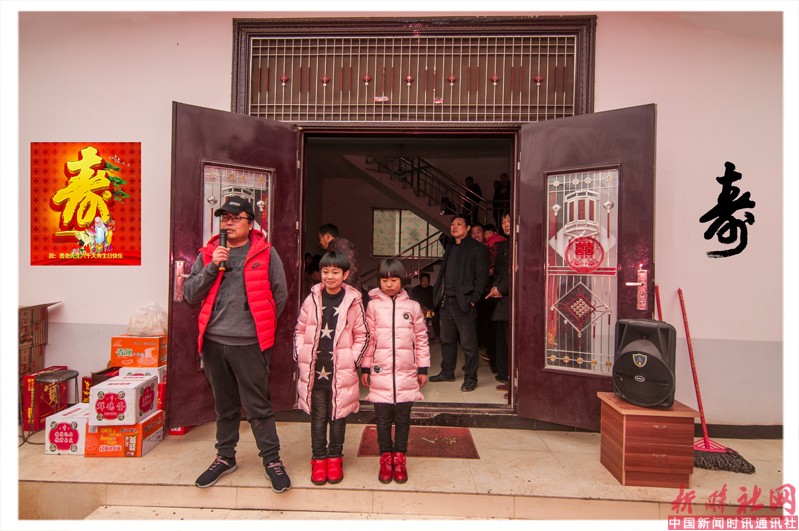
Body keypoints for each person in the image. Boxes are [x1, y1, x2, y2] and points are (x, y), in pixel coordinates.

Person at [183, 196, 291, 492]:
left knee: (258, 406)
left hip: (249, 344)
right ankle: (225, 457)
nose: (228, 223)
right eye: (224, 218)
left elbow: (279, 294)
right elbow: (190, 293)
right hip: (214, 342)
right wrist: (211, 267)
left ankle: (272, 460)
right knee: (225, 405)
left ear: (250, 223)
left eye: (235, 218)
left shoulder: (266, 253)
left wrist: (257, 326)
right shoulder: (210, 252)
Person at [294, 250, 368, 486]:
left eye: (335, 272)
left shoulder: (353, 301)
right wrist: (301, 353)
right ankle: (318, 458)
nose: (329, 276)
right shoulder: (312, 299)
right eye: (325, 272)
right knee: (318, 417)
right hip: (315, 371)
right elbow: (299, 329)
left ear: (345, 274)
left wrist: (352, 360)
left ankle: (335, 458)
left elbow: (363, 334)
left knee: (338, 417)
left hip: (341, 371)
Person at [361, 259, 430, 483]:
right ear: (379, 281)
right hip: (380, 372)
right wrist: (365, 367)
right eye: (384, 280)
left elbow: (421, 339)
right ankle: (385, 458)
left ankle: (399, 457)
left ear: (402, 280)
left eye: (393, 280)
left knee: (403, 418)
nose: (389, 284)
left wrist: (422, 368)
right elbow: (368, 339)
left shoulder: (413, 307)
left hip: (406, 373)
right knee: (382, 419)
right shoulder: (373, 306)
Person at [429, 215, 489, 392]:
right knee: (447, 340)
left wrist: (474, 299)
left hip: (464, 302)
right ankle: (447, 372)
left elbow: (482, 278)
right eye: (453, 224)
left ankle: (470, 378)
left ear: (468, 228)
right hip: (446, 301)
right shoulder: (450, 247)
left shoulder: (477, 248)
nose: (454, 227)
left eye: (459, 224)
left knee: (468, 343)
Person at [486, 213, 512, 397]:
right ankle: (507, 376)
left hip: (513, 298)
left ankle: (515, 381)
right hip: (503, 297)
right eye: (503, 221)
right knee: (503, 339)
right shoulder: (505, 244)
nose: (506, 224)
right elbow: (502, 271)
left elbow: (516, 272)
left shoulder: (520, 243)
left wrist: (500, 288)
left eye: (509, 220)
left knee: (512, 341)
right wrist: (495, 287)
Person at [318, 223, 361, 291]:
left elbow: (350, 269)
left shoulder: (342, 244)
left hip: (347, 292)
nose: (320, 242)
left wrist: (346, 292)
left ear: (327, 236)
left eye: (320, 238)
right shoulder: (333, 247)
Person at [411, 272, 439, 341]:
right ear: (420, 281)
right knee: (423, 319)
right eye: (423, 281)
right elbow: (415, 301)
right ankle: (421, 337)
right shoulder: (416, 289)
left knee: (434, 317)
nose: (425, 283)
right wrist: (422, 307)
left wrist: (431, 308)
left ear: (429, 281)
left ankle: (437, 336)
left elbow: (435, 300)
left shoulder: (432, 289)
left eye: (426, 281)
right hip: (420, 311)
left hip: (430, 311)